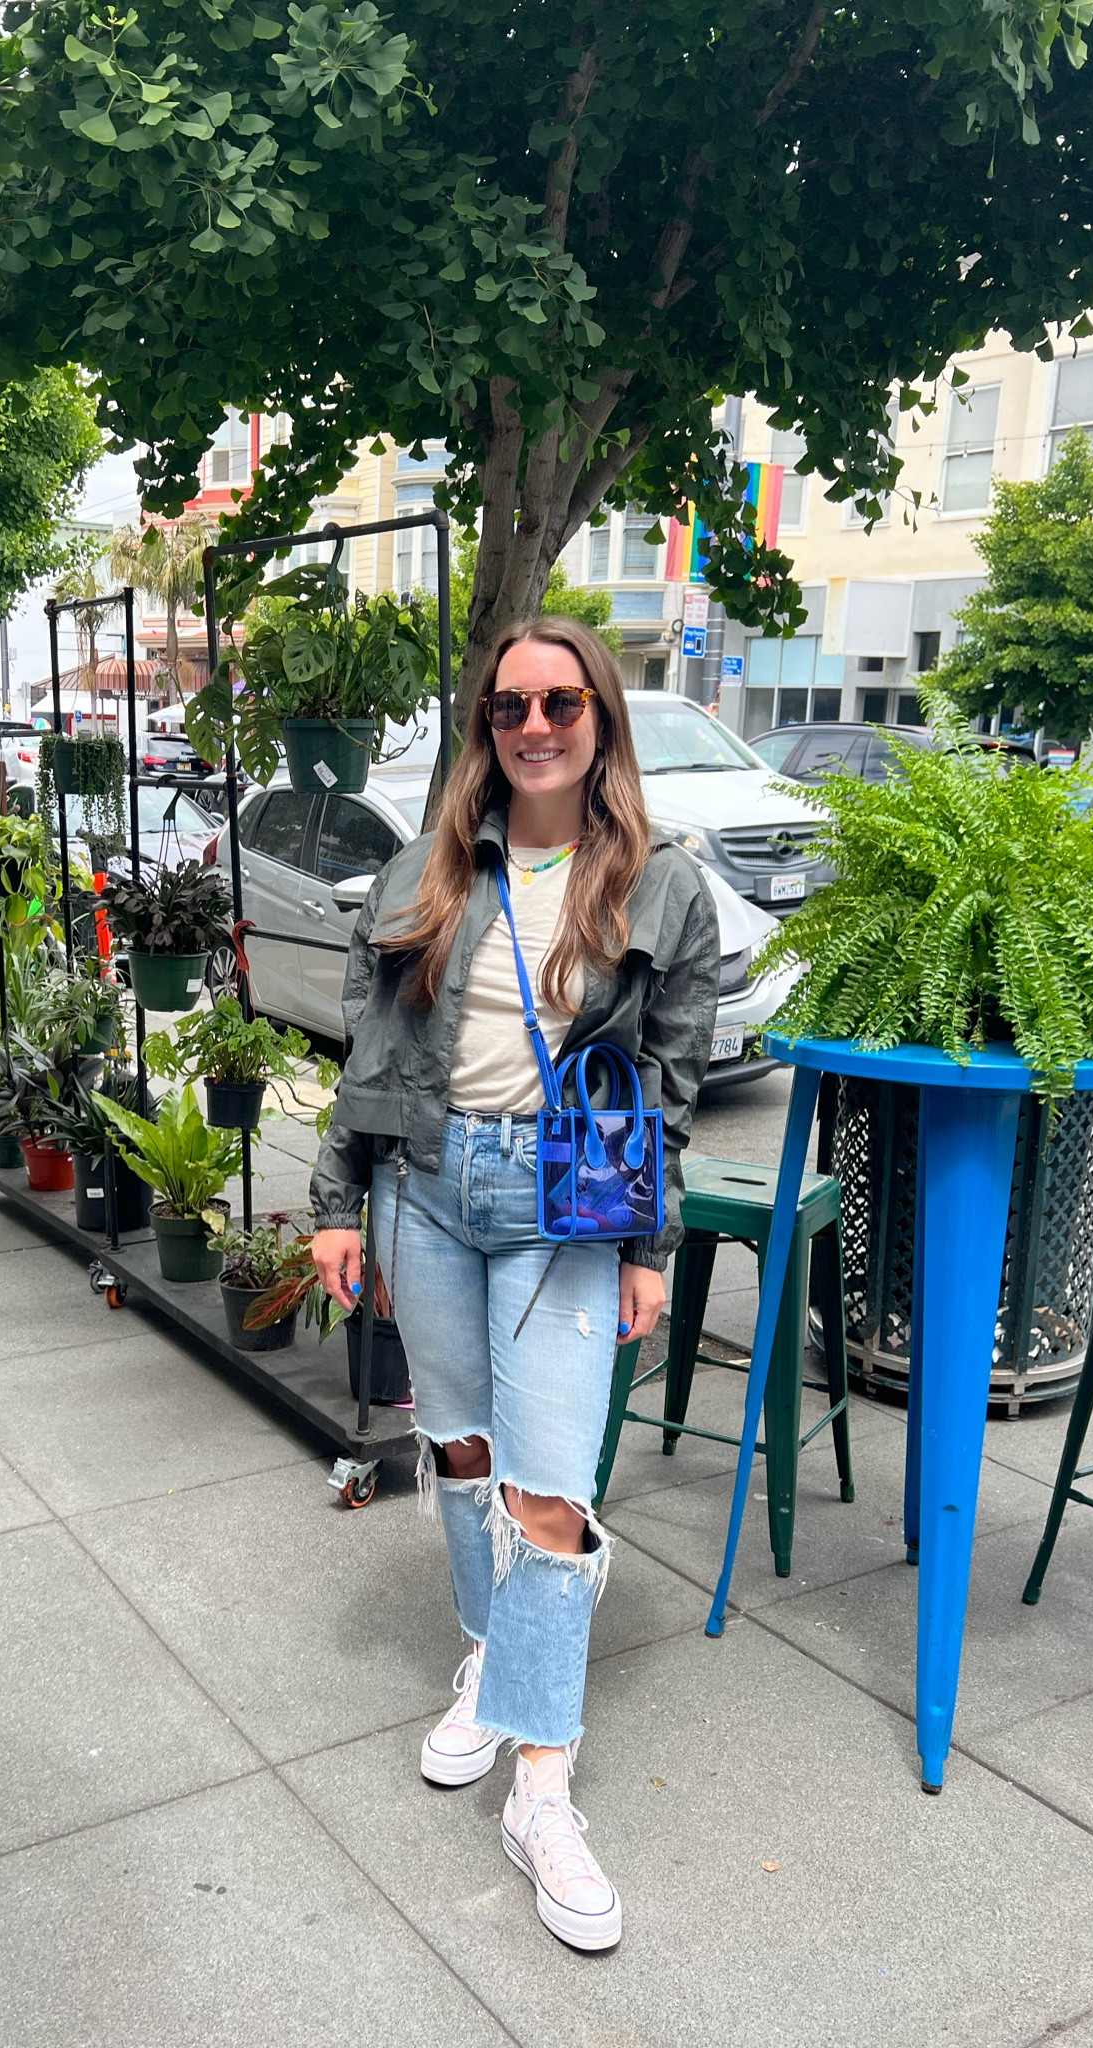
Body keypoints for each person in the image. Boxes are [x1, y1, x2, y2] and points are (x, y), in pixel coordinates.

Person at [309, 617, 718, 1952]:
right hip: (425, 1188)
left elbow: (669, 1079)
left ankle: (542, 1786)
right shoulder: (425, 868)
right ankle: (489, 1658)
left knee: (550, 1496)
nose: (535, 727)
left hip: (566, 1209)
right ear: (481, 730)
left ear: (602, 715)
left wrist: (648, 1246)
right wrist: (335, 1205)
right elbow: (369, 1051)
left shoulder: (663, 884)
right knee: (462, 1450)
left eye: (560, 702)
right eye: (507, 708)